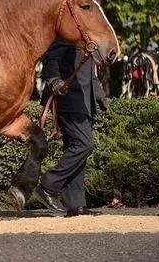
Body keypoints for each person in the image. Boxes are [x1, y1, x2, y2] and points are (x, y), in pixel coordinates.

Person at [31, 37, 107, 217]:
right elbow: (51, 59)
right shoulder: (66, 36)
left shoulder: (89, 42)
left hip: (86, 104)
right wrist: (55, 80)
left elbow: (91, 74)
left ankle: (76, 205)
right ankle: (48, 185)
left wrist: (99, 96)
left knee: (76, 148)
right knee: (84, 145)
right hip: (69, 101)